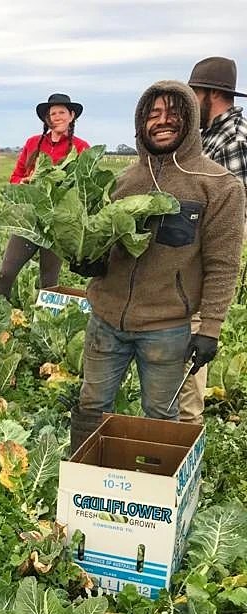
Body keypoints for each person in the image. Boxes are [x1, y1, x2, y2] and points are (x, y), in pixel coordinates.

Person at [70, 80, 245, 453]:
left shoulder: (218, 184)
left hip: (167, 329)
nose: (162, 121)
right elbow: (104, 248)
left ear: (190, 119)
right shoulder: (121, 182)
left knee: (161, 417)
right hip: (106, 320)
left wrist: (210, 328)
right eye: (153, 114)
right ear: (140, 123)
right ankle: (83, 488)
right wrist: (88, 260)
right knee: (91, 406)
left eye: (173, 113)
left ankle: (156, 497)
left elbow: (223, 264)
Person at [178, 57, 247, 424]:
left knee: (190, 372)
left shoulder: (234, 139)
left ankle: (187, 448)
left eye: (194, 93)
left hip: (204, 268)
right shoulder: (209, 135)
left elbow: (233, 219)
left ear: (213, 94)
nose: (190, 101)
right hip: (185, 265)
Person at [0, 93, 90, 301]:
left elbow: (85, 184)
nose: (56, 116)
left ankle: (45, 324)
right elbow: (15, 176)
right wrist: (23, 182)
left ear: (71, 115)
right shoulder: (33, 143)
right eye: (52, 113)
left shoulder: (81, 147)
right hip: (30, 219)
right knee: (6, 273)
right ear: (47, 119)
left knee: (49, 281)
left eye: (61, 112)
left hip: (57, 223)